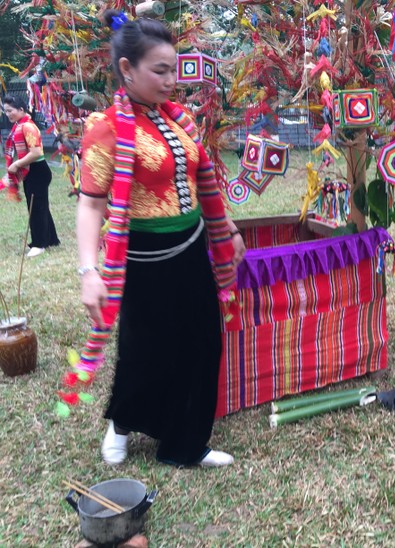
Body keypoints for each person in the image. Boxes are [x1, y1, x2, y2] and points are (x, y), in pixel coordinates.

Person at [77, 11, 245, 467]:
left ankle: (185, 444)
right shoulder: (105, 129)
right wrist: (88, 270)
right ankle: (122, 423)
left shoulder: (180, 121)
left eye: (174, 69)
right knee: (145, 348)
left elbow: (200, 181)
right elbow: (91, 204)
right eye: (160, 70)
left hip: (190, 249)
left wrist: (225, 231)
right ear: (127, 69)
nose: (172, 81)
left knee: (202, 341)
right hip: (142, 258)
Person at [3, 95, 61, 256]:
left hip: (37, 171)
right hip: (34, 170)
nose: (8, 114)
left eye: (10, 111)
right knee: (39, 206)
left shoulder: (27, 127)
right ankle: (51, 239)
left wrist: (16, 164)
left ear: (21, 110)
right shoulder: (19, 126)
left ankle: (39, 244)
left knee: (36, 207)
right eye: (5, 111)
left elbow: (36, 153)